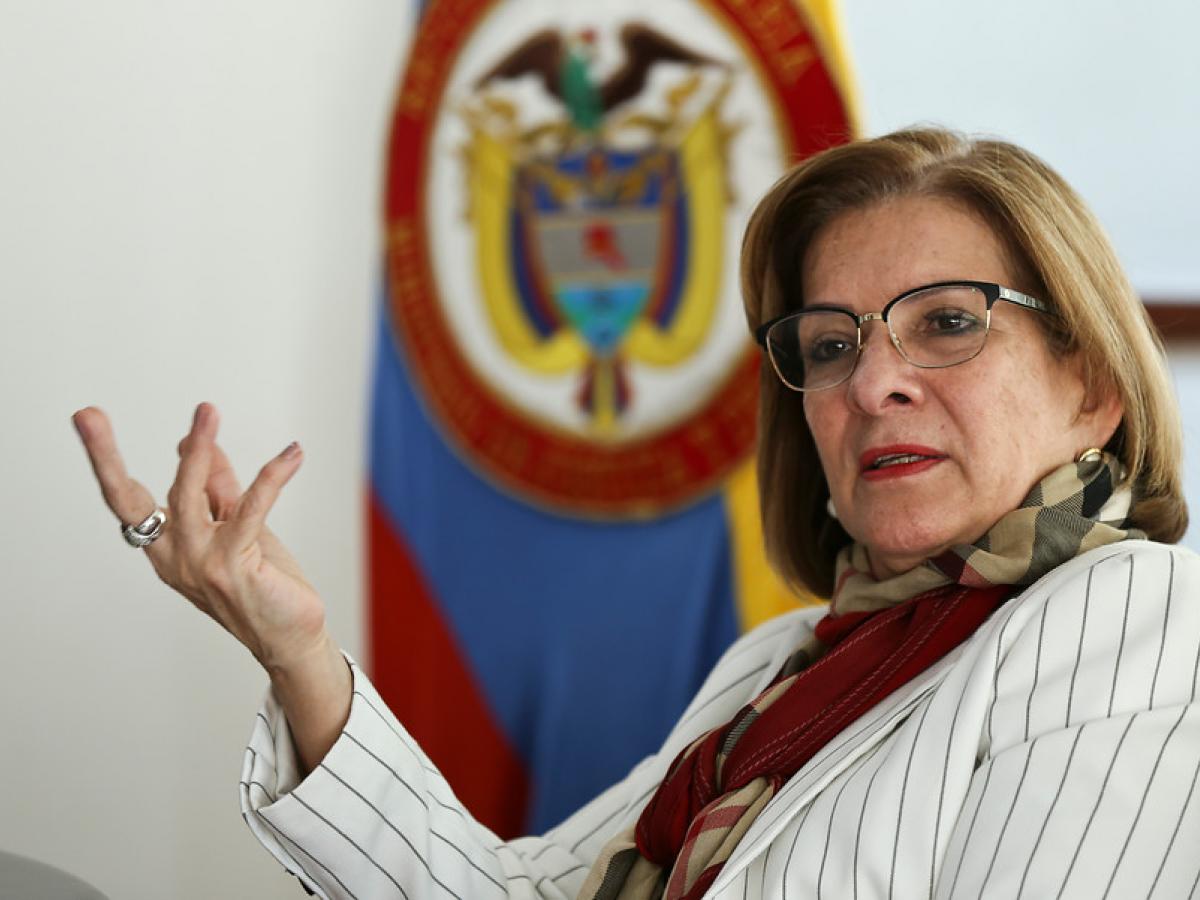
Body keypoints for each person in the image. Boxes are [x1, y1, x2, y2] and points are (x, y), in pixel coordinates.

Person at [74, 128, 1200, 899]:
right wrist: (300, 653)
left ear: (1094, 387)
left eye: (947, 322)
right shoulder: (782, 662)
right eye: (829, 345)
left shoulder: (1133, 612)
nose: (871, 384)